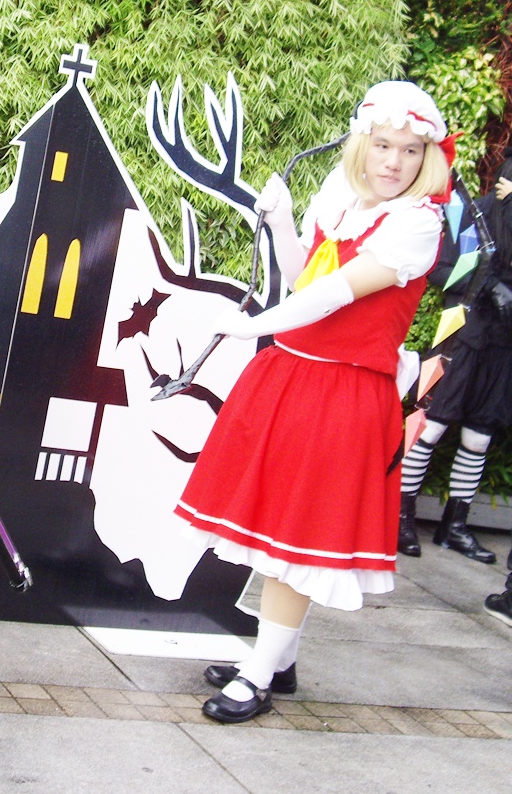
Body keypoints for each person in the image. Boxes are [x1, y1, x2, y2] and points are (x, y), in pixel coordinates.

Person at [172, 81, 452, 724]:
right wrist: (279, 220)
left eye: (410, 150)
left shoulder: (416, 225)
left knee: (294, 542)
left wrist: (250, 324)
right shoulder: (344, 202)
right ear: (362, 144)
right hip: (295, 380)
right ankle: (279, 661)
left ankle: (259, 676)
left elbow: (333, 297)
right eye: (383, 145)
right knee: (278, 529)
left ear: (426, 158)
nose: (395, 161)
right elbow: (305, 277)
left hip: (344, 394)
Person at [396, 149, 512, 563]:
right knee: (429, 425)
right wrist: (486, 284)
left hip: (504, 346)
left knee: (479, 437)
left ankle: (455, 526)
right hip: (456, 333)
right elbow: (440, 269)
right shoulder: (473, 216)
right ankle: (399, 516)